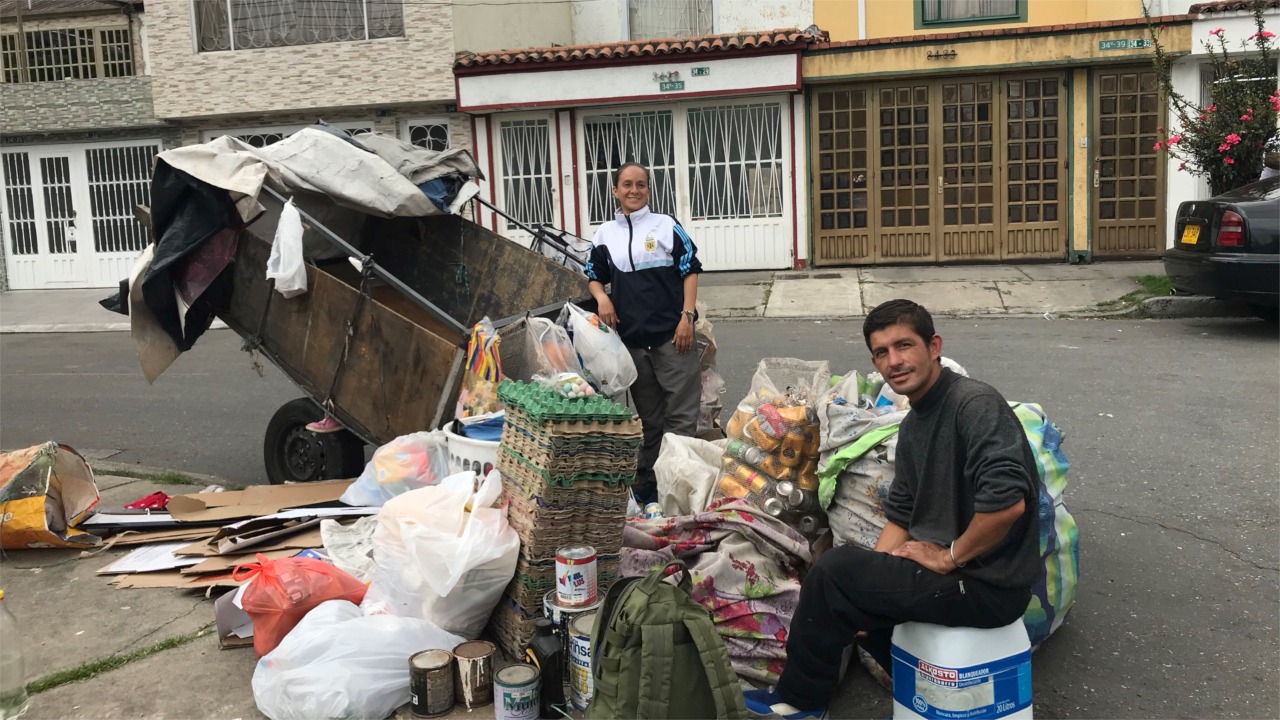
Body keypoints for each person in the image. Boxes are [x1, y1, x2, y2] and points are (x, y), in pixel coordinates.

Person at [745, 299, 1041, 719]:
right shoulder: (915, 424)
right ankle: (923, 701)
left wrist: (949, 556)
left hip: (988, 584)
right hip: (957, 574)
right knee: (849, 597)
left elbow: (1007, 503)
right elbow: (901, 514)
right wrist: (869, 590)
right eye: (882, 352)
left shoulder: (973, 405)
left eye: (904, 346)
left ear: (933, 346)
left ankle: (800, 703)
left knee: (834, 572)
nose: (894, 361)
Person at [585, 162, 702, 504]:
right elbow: (593, 272)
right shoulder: (605, 233)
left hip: (672, 336)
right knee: (651, 421)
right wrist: (602, 296)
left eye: (640, 185)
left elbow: (690, 268)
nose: (634, 190)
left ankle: (679, 488)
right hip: (633, 343)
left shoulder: (665, 225)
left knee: (680, 419)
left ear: (648, 190)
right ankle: (650, 485)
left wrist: (687, 317)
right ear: (615, 190)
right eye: (627, 184)